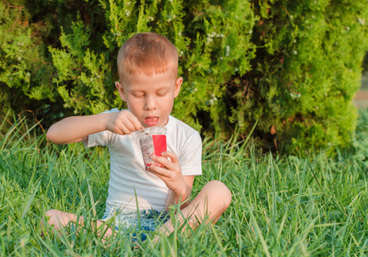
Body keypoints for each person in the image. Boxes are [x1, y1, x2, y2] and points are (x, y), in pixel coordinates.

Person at [45, 32, 231, 241]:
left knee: (219, 191)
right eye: (139, 94)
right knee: (51, 219)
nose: (150, 105)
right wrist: (104, 121)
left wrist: (178, 186)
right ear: (122, 91)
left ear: (176, 87)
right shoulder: (116, 124)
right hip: (118, 223)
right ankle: (149, 244)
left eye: (161, 93)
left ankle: (154, 241)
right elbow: (54, 134)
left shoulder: (187, 137)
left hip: (169, 223)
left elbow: (174, 210)